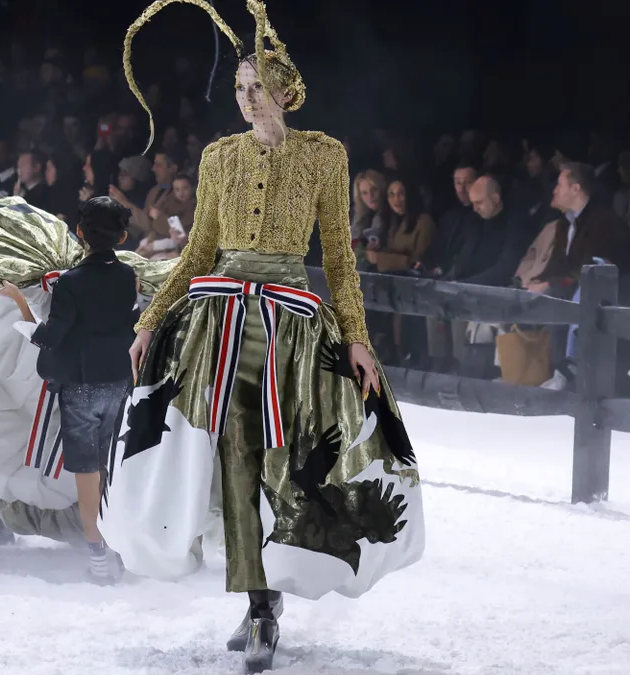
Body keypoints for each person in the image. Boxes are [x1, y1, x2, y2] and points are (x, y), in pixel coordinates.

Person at [98, 2, 423, 673]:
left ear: (286, 91)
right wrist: (151, 318)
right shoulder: (219, 158)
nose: (247, 99)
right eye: (240, 88)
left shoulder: (324, 155)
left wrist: (357, 337)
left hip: (292, 327)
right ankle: (258, 604)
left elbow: (339, 255)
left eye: (258, 87)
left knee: (289, 457)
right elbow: (195, 254)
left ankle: (266, 596)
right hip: (219, 322)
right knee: (230, 456)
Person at [0, 196, 137, 583]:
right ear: (123, 236)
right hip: (119, 381)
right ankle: (114, 541)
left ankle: (96, 547)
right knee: (108, 465)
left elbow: (49, 337)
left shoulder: (71, 283)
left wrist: (20, 303)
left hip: (80, 384)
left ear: (79, 233)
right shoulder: (128, 277)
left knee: (86, 470)